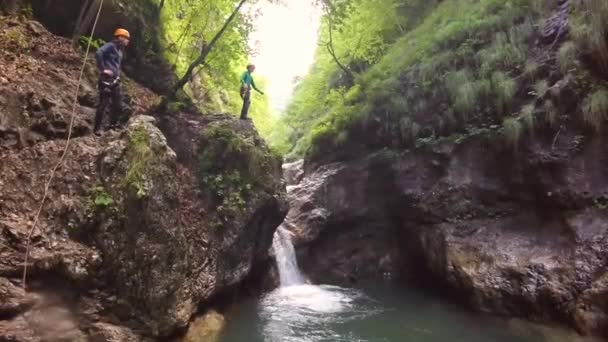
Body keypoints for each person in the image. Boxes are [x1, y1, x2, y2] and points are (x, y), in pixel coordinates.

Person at [93, 28, 130, 135]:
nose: (128, 41)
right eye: (126, 38)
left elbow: (117, 66)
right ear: (120, 37)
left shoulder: (120, 51)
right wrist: (103, 68)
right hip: (106, 79)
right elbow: (99, 53)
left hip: (115, 80)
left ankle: (112, 126)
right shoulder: (111, 46)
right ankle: (97, 129)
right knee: (103, 103)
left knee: (117, 104)